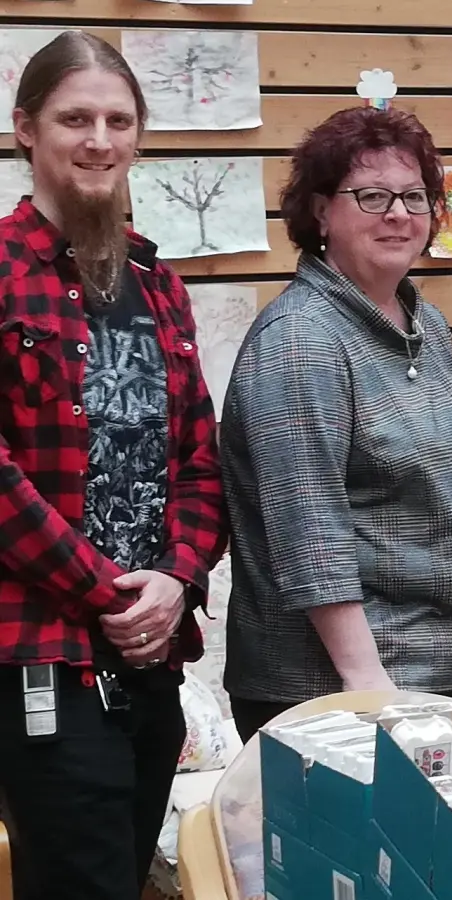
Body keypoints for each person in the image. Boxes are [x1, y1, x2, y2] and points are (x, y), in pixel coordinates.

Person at [0, 32, 228, 900]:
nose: (99, 139)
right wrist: (107, 591)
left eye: (118, 120)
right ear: (26, 128)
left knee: (127, 879)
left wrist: (176, 576)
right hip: (43, 656)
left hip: (154, 654)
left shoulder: (156, 283)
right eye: (75, 118)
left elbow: (199, 463)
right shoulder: (1, 270)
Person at [220, 107, 452, 743]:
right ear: (321, 212)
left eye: (414, 196)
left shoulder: (424, 324)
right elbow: (306, 528)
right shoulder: (301, 338)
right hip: (340, 693)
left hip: (444, 667)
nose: (398, 214)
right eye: (371, 196)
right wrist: (369, 686)